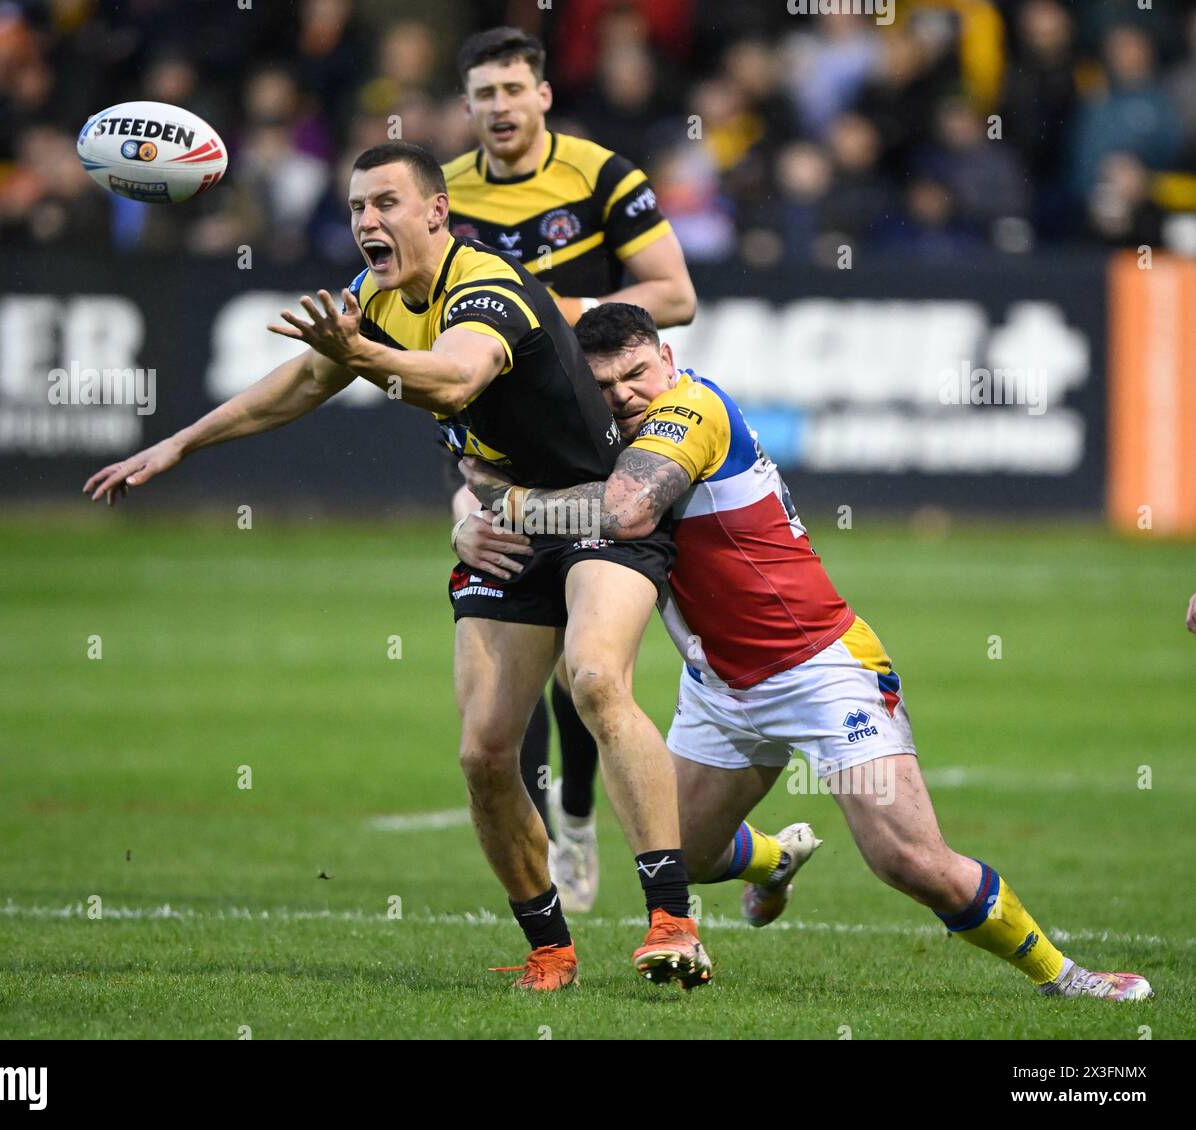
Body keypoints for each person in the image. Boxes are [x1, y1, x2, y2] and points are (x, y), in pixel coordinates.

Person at [83, 145, 711, 992]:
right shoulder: (377, 298)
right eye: (355, 208)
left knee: (596, 678)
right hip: (508, 524)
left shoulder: (485, 287)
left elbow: (455, 380)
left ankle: (671, 921)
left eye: (385, 203)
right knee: (485, 754)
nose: (368, 221)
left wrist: (364, 355)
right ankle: (550, 950)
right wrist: (180, 443)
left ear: (437, 213)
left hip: (595, 509)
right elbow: (304, 382)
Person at [458, 303, 1155, 1002]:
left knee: (910, 861)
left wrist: (506, 505)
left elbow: (624, 511)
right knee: (686, 852)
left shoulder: (692, 409)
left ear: (665, 361)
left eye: (636, 374)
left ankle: (1065, 977)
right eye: (604, 386)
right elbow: (497, 472)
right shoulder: (604, 437)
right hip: (718, 687)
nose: (624, 395)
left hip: (820, 669)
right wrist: (469, 519)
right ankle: (773, 861)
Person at [441, 26, 697, 914]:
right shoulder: (445, 196)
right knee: (523, 652)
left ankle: (580, 823)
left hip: (597, 444)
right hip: (495, 440)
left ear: (543, 95)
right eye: (484, 94)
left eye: (515, 89)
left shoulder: (602, 175)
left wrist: (552, 315)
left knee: (581, 670)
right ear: (467, 105)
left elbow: (676, 293)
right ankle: (564, 834)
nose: (501, 107)